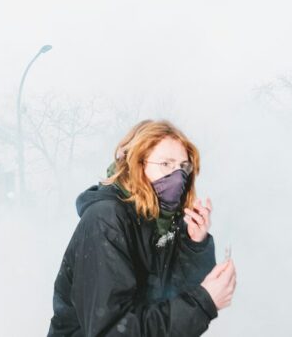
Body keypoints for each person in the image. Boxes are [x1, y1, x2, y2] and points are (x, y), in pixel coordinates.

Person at [48, 119, 237, 336]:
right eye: (166, 164)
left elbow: (174, 300)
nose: (178, 177)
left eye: (183, 167)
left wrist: (194, 245)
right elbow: (112, 331)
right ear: (136, 165)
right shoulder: (105, 220)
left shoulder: (162, 222)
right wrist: (204, 301)